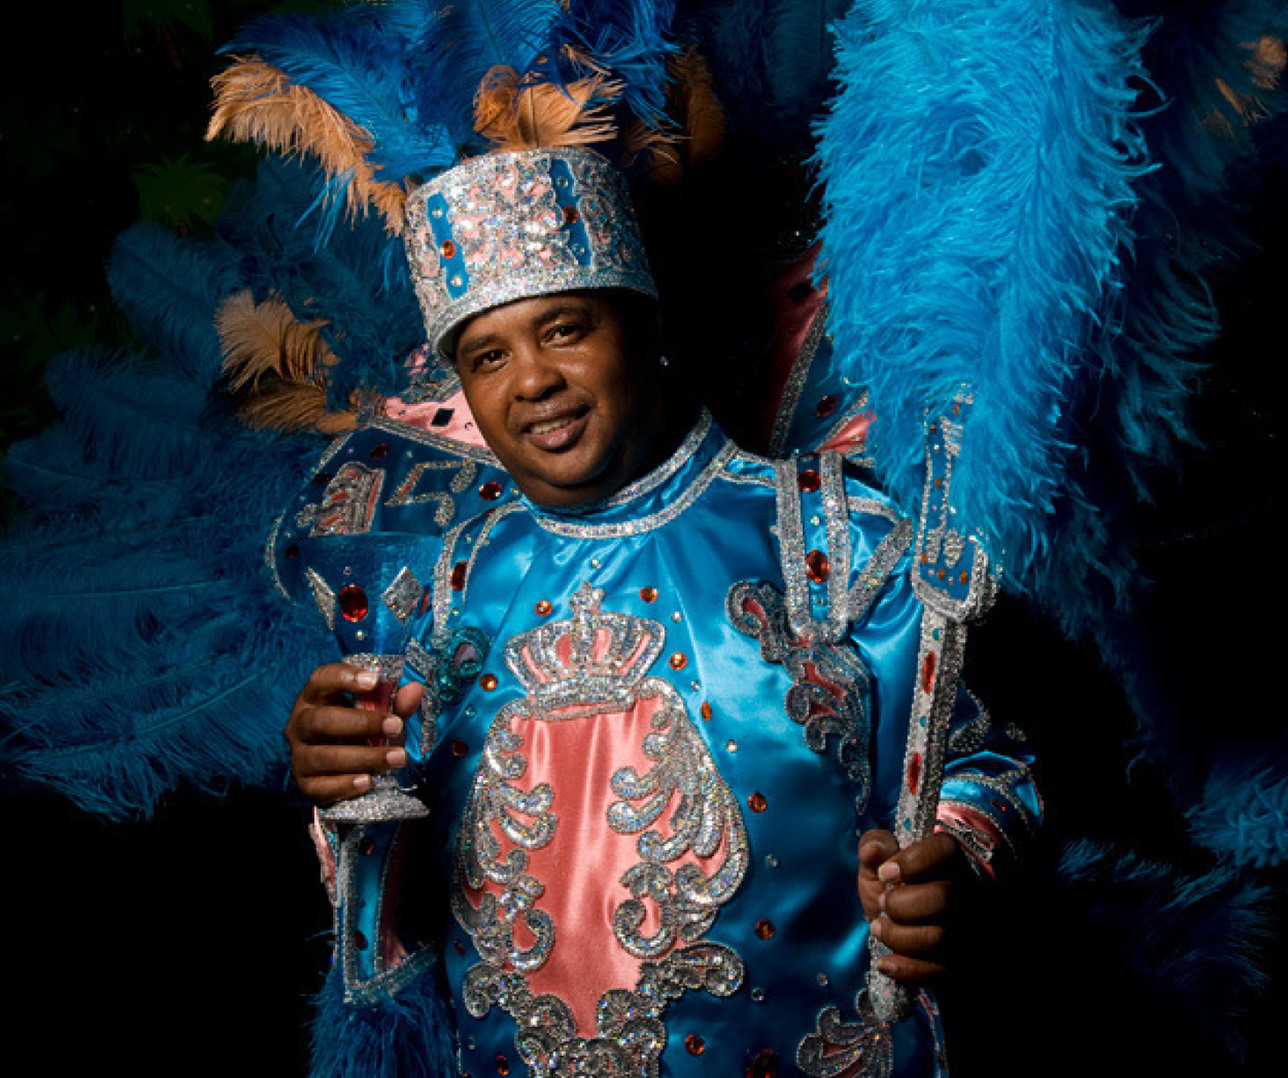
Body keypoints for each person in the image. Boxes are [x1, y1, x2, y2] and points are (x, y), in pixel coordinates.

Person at [277, 145, 1040, 1078]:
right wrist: (343, 792)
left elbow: (981, 766)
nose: (531, 381)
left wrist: (952, 863)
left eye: (565, 328)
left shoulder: (833, 537)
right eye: (488, 354)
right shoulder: (441, 591)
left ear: (646, 324)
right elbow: (405, 901)